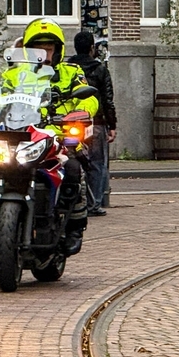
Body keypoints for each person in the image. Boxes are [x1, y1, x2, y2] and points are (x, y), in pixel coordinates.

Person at [6, 18, 99, 255]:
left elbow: (88, 97)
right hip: (22, 135)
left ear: (58, 50)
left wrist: (82, 111)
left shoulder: (71, 72)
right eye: (39, 48)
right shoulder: (16, 75)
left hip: (58, 137)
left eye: (49, 48)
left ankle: (75, 227)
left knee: (73, 169)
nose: (45, 53)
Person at [68, 31, 117, 217]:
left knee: (71, 160)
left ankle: (72, 201)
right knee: (96, 163)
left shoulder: (67, 68)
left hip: (70, 122)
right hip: (95, 122)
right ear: (92, 48)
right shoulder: (101, 70)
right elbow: (107, 100)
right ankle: (94, 203)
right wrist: (112, 125)